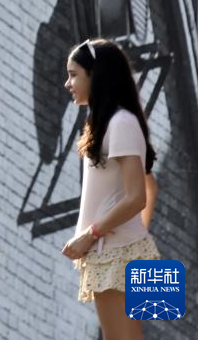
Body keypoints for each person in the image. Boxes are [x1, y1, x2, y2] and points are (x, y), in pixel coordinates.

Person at [60, 38, 159, 339]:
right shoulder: (112, 122)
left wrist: (91, 235)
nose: (67, 84)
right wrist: (134, 235)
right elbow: (149, 185)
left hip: (118, 255)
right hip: (123, 250)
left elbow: (137, 197)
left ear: (96, 75)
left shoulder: (120, 123)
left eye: (74, 75)